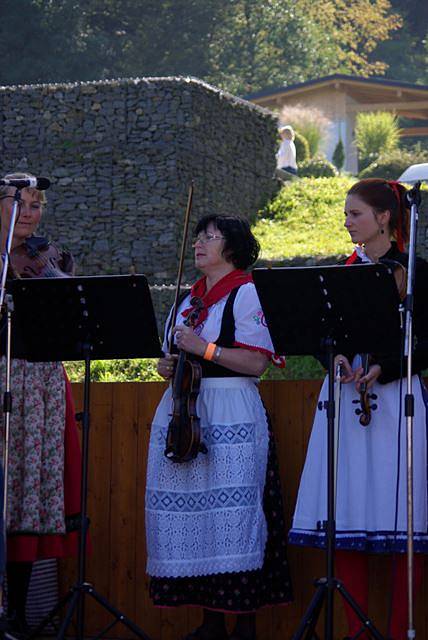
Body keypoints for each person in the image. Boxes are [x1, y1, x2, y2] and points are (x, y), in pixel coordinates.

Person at [289, 178, 428, 640]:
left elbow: (424, 344)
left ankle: (398, 630)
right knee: (345, 512)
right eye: (346, 214)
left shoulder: (416, 271)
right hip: (344, 399)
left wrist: (384, 369)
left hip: (396, 402)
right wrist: (337, 358)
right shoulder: (338, 272)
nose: (347, 221)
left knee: (402, 520)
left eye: (355, 213)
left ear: (384, 217)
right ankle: (358, 634)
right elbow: (314, 333)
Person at [145, 215, 292, 640]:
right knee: (193, 515)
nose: (199, 243)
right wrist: (166, 364)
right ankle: (209, 623)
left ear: (234, 248)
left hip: (230, 408)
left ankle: (243, 623)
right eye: (198, 235)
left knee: (236, 511)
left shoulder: (247, 294)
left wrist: (204, 347)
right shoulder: (186, 300)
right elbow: (171, 358)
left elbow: (257, 363)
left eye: (211, 236)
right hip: (183, 410)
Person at [0, 173, 81, 633]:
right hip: (3, 374)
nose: (30, 213)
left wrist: (54, 276)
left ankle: (16, 615)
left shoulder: (55, 258)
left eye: (37, 205)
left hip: (41, 381)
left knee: (28, 496)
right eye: (21, 203)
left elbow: (71, 322)